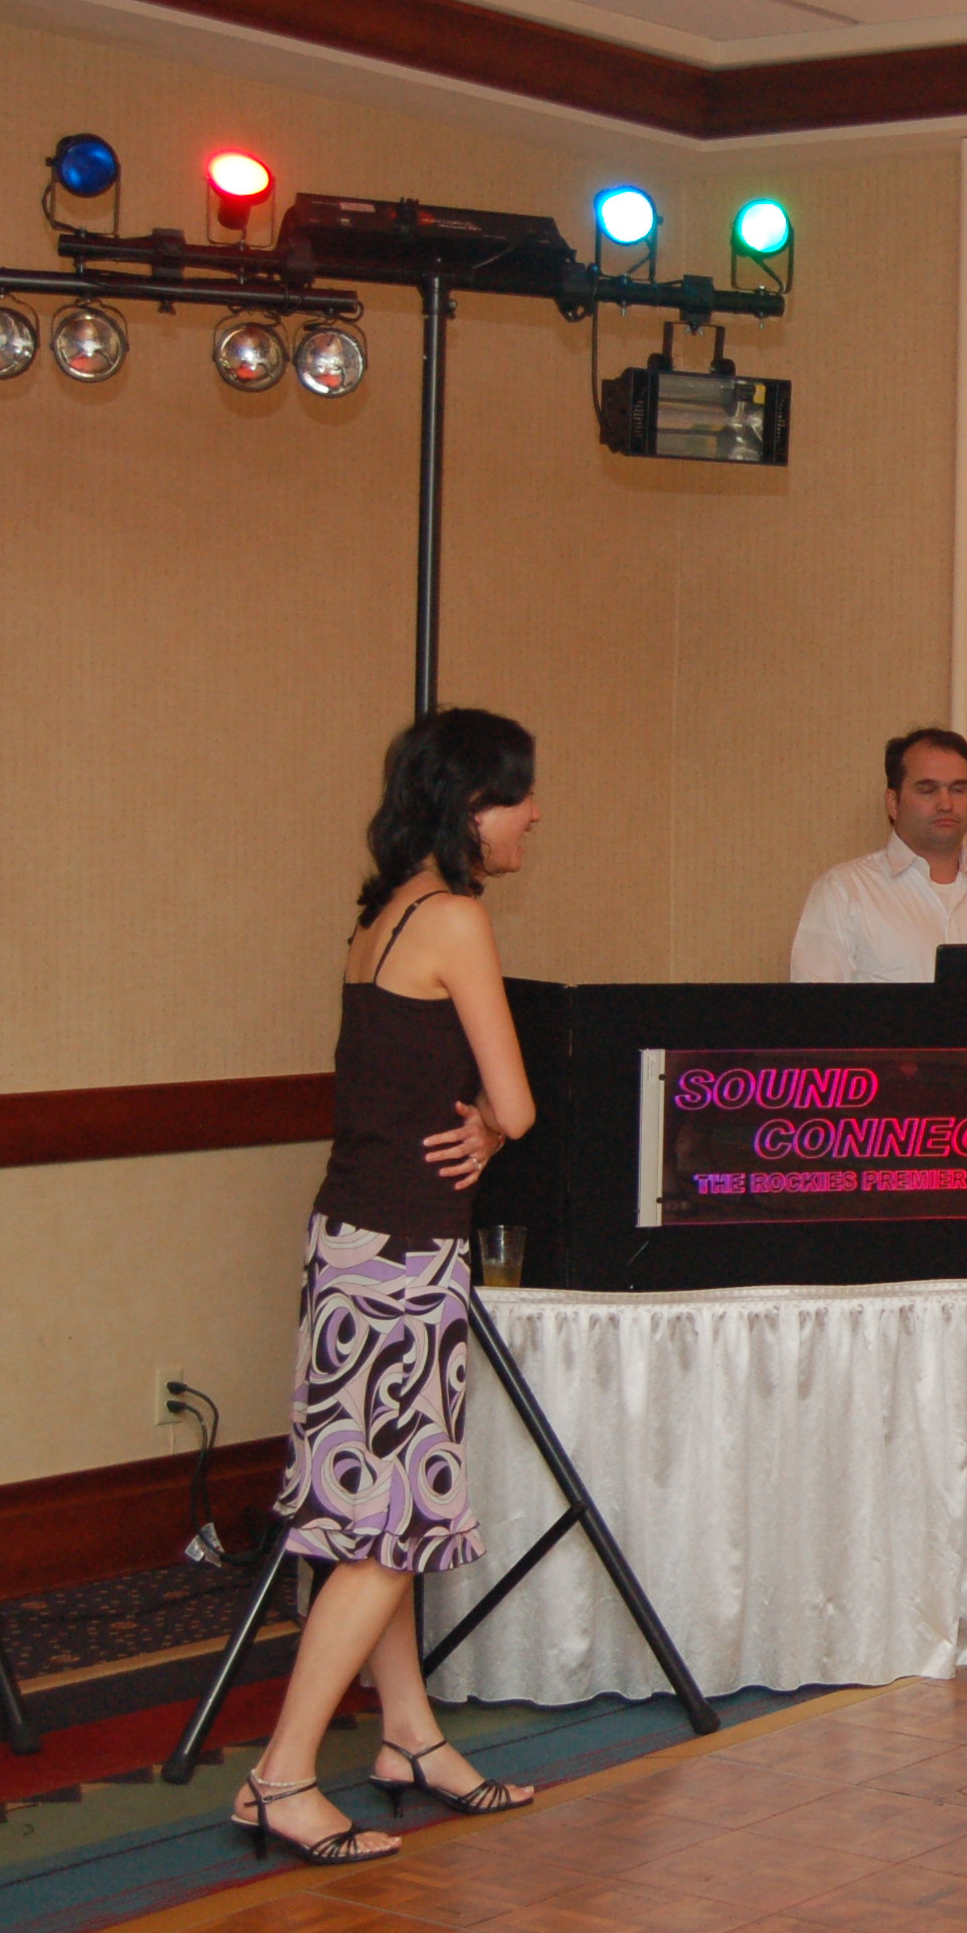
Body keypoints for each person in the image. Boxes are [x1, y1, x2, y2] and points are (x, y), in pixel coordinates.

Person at [238, 709, 543, 1864]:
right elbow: (515, 1104)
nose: (532, 815)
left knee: (383, 1514)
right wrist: (491, 1125)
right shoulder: (456, 917)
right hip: (406, 1260)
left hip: (346, 1242)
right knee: (383, 1532)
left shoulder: (378, 917)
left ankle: (408, 1735)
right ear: (471, 806)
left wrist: (475, 1122)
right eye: (517, 794)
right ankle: (280, 1777)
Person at [788, 727, 967, 982]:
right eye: (928, 790)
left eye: (958, 789)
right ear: (893, 803)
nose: (946, 804)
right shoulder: (845, 892)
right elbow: (815, 1005)